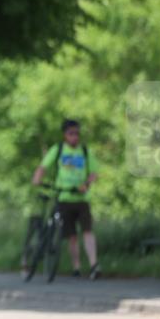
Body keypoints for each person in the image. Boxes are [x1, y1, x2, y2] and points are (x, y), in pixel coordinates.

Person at [32, 118, 100, 279]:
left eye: (77, 133)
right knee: (71, 236)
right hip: (63, 197)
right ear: (65, 135)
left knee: (88, 231)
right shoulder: (58, 150)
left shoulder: (84, 151)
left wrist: (87, 184)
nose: (75, 137)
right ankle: (76, 267)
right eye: (71, 134)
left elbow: (94, 173)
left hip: (82, 198)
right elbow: (43, 167)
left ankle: (93, 265)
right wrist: (37, 178)